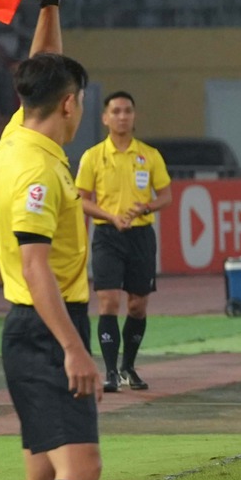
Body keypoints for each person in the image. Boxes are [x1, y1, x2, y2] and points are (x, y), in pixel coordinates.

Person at [0, 0, 108, 480]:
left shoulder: (16, 140)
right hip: (45, 328)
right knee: (80, 468)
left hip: (29, 328)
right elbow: (36, 267)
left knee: (40, 476)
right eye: (79, 98)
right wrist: (73, 348)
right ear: (69, 104)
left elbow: (42, 67)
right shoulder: (37, 170)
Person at [75, 91, 172, 393]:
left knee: (138, 305)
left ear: (134, 116)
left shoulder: (149, 155)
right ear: (105, 118)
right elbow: (81, 199)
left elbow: (166, 196)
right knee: (108, 300)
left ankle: (128, 365)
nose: (122, 116)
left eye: (127, 111)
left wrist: (146, 207)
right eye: (115, 111)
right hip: (107, 235)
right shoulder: (93, 156)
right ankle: (110, 371)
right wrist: (110, 216)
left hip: (140, 236)